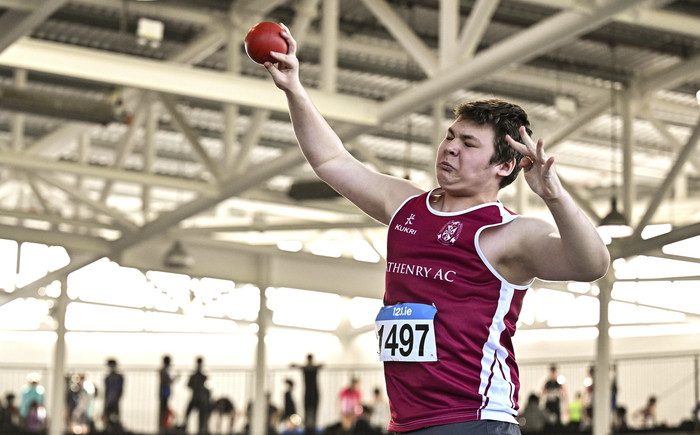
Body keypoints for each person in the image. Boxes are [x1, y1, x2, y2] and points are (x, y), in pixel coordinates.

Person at [263, 24, 610, 434]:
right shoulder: (407, 206)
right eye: (450, 136)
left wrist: (555, 195)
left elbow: (593, 264)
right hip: (406, 423)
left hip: (474, 420)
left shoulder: (507, 235)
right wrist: (294, 89)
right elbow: (332, 162)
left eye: (468, 143)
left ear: (504, 166)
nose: (450, 147)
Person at [291, 354, 323, 434]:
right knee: (306, 412)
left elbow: (322, 364)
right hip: (308, 394)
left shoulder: (313, 368)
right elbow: (294, 365)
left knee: (314, 412)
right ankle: (307, 430)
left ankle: (313, 429)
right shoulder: (306, 368)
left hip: (314, 393)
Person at [184, 357, 210, 435]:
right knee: (190, 414)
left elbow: (188, 385)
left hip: (198, 398)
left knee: (190, 414)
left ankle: (199, 430)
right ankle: (198, 430)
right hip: (198, 398)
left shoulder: (199, 376)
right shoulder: (202, 376)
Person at [540, 364, 568, 428]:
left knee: (557, 423)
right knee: (548, 422)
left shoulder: (559, 383)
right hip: (549, 405)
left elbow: (564, 394)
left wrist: (565, 407)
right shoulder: (547, 383)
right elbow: (542, 393)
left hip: (556, 405)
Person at [159, 355, 179, 434]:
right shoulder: (163, 371)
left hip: (165, 393)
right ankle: (163, 428)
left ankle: (164, 427)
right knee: (164, 411)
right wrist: (175, 378)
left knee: (165, 411)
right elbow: (167, 381)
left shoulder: (165, 371)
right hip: (164, 393)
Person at [104, 359, 125, 433]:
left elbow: (121, 388)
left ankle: (115, 427)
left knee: (115, 413)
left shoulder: (118, 377)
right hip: (109, 398)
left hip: (115, 397)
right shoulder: (108, 377)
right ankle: (109, 427)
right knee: (108, 413)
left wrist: (118, 396)